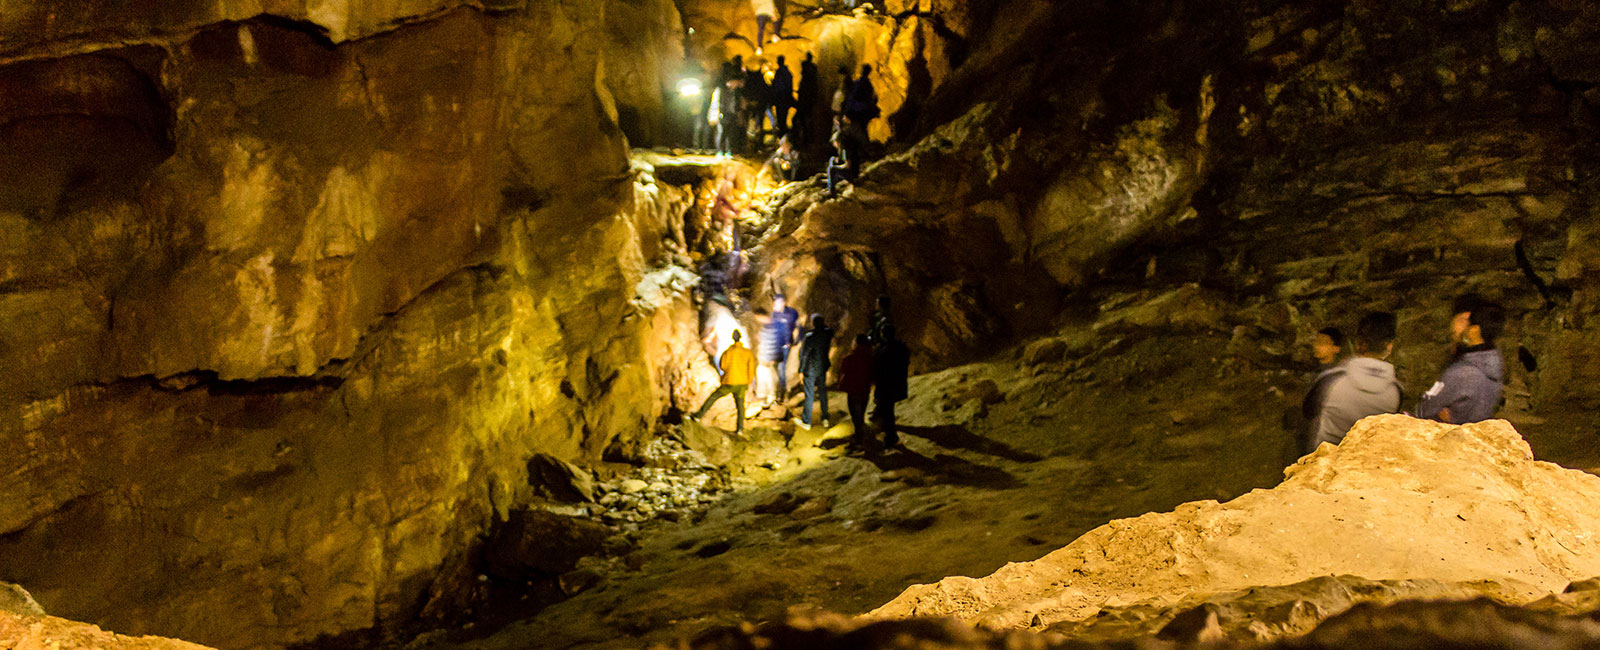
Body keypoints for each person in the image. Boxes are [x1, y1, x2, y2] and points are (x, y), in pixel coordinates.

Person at [1309, 312, 1403, 449]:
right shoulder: (1396, 391)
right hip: (1366, 462)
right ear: (1389, 346)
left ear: (1358, 343)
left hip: (1326, 463)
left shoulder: (1331, 380)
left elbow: (1309, 412)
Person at [1418, 296, 1506, 424]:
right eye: (1461, 321)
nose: (1463, 327)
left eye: (1467, 321)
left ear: (1476, 329)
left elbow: (1425, 408)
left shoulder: (1462, 371)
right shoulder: (1494, 361)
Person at [693, 330, 757, 435]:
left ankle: (698, 416)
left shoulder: (728, 352)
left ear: (733, 338)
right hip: (741, 384)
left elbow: (723, 366)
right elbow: (751, 369)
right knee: (740, 406)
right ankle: (740, 429)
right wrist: (747, 382)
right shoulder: (747, 353)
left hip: (729, 382)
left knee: (714, 397)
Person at [1298, 326, 1346, 456]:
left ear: (1336, 348)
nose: (1317, 346)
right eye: (1316, 342)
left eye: (1323, 343)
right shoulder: (1315, 373)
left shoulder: (1337, 375)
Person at [872, 324, 911, 450]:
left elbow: (880, 370)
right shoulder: (901, 347)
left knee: (887, 412)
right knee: (888, 410)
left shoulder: (885, 350)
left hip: (887, 385)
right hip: (897, 384)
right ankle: (889, 435)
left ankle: (891, 437)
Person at [759, 294, 801, 406]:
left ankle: (781, 395)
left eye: (776, 302)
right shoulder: (773, 315)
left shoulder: (792, 313)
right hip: (775, 346)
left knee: (781, 369)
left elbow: (798, 327)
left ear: (783, 303)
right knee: (774, 369)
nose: (774, 305)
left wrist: (795, 341)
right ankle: (774, 393)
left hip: (784, 346)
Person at [797, 314, 835, 428]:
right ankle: (825, 418)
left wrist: (801, 370)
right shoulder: (827, 334)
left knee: (809, 395)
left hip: (810, 369)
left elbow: (804, 355)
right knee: (823, 393)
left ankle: (806, 421)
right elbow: (830, 330)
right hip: (822, 368)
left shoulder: (810, 337)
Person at [838, 334, 875, 444]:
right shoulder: (870, 358)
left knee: (855, 416)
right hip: (864, 390)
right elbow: (872, 375)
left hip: (853, 391)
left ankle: (859, 440)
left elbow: (844, 373)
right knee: (861, 414)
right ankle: (860, 436)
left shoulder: (849, 358)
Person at [795, 52, 819, 144]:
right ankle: (808, 137)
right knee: (808, 118)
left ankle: (804, 138)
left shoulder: (805, 69)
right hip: (810, 99)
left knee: (802, 118)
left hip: (804, 98)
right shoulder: (813, 70)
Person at [844, 63, 879, 128]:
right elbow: (869, 99)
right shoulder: (869, 86)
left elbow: (852, 97)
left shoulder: (858, 83)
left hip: (855, 112)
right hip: (863, 113)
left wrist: (847, 113)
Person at [825, 129, 859, 196]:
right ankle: (831, 181)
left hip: (852, 174)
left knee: (832, 169)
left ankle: (831, 190)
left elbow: (848, 166)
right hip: (851, 172)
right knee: (833, 159)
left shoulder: (845, 150)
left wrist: (838, 167)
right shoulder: (843, 150)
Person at [770, 55, 795, 135]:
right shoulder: (788, 72)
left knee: (780, 115)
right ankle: (783, 131)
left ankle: (782, 132)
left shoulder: (779, 73)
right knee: (784, 115)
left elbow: (778, 86)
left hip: (780, 97)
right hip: (786, 97)